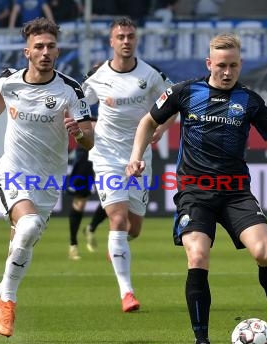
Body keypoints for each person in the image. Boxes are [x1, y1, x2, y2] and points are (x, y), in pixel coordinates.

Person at [126, 33, 267, 344]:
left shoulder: (249, 100)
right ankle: (201, 343)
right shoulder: (185, 92)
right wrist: (135, 156)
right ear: (209, 64)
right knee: (197, 255)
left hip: (235, 192)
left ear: (241, 65)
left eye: (234, 66)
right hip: (194, 192)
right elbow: (147, 122)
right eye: (222, 65)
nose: (228, 72)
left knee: (264, 252)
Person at [0, 17, 93, 338]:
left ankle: (0, 291)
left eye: (50, 46)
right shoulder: (10, 80)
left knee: (22, 240)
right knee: (29, 225)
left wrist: (79, 134)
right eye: (39, 47)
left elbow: (89, 138)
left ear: (57, 50)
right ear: (27, 51)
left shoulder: (70, 89)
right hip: (11, 171)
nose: (45, 52)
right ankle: (9, 300)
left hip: (48, 182)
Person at [82, 16, 176, 312]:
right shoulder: (96, 77)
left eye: (130, 36)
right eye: (120, 36)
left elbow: (174, 102)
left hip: (139, 157)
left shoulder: (151, 75)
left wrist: (162, 127)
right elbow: (77, 105)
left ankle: (117, 245)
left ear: (136, 40)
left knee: (133, 229)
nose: (125, 41)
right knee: (118, 220)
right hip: (107, 156)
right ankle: (127, 293)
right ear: (111, 41)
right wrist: (85, 126)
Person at [66, 145, 107, 260]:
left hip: (109, 150)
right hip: (87, 150)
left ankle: (91, 228)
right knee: (80, 202)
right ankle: (73, 244)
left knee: (112, 197)